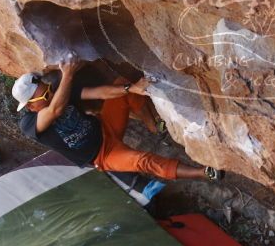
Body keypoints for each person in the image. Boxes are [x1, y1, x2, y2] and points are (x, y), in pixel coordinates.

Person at [12, 59, 223, 181]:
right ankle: (203, 173)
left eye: (49, 89)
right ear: (30, 106)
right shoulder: (29, 124)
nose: (51, 94)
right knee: (142, 161)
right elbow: (56, 110)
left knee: (122, 85)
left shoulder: (59, 93)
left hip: (105, 127)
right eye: (45, 95)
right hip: (102, 155)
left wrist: (131, 88)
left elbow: (98, 92)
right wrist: (67, 74)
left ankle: (154, 127)